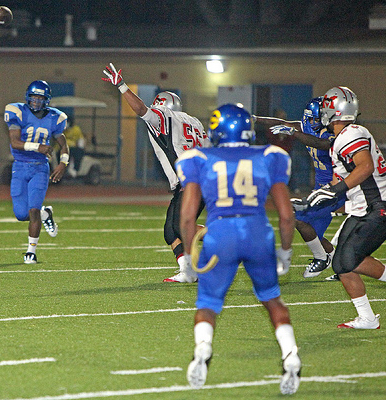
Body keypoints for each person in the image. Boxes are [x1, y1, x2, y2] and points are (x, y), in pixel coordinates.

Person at [177, 104, 301, 394]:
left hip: (220, 233)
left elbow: (187, 217)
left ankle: (203, 349)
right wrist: (285, 252)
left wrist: (189, 257)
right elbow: (286, 215)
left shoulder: (199, 158)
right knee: (272, 300)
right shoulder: (270, 155)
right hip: (258, 232)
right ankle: (290, 355)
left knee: (208, 302)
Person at [102, 63, 210, 283]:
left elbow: (142, 110)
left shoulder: (165, 116)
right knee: (170, 231)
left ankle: (224, 236)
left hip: (192, 180)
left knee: (181, 226)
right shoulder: (194, 122)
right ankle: (187, 271)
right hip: (199, 179)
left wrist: (122, 86)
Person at [304, 86, 386, 329]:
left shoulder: (351, 134)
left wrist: (335, 191)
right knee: (342, 263)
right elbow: (338, 182)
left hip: (380, 205)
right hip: (363, 207)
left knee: (349, 259)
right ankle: (367, 318)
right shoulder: (342, 139)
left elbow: (365, 167)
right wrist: (311, 201)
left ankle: (368, 317)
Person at [254, 98, 346, 280]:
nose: (315, 122)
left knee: (298, 217)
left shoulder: (332, 132)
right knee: (313, 231)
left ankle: (322, 258)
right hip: (321, 188)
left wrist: (294, 133)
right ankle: (342, 267)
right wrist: (255, 118)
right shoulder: (305, 126)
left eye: (318, 119)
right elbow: (281, 122)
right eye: (312, 119)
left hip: (337, 187)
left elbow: (322, 144)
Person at [4, 80, 70, 264]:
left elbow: (64, 145)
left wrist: (63, 163)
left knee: (33, 210)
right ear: (28, 97)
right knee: (21, 214)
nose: (36, 101)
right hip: (20, 166)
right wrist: (37, 147)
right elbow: (15, 142)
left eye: (40, 98)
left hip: (40, 168)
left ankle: (31, 252)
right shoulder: (18, 112)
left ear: (46, 100)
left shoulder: (55, 118)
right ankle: (45, 213)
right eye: (34, 97)